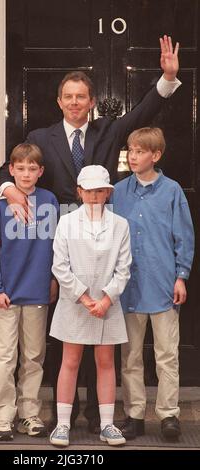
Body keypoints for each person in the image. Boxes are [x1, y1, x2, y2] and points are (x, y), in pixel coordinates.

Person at [0, 35, 181, 433]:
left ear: (92, 100)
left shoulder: (106, 132)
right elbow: (9, 167)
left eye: (82, 96)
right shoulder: (40, 137)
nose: (76, 102)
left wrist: (166, 79)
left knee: (100, 327)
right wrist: (9, 188)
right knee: (64, 327)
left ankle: (101, 413)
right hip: (56, 238)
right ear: (59, 101)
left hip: (102, 239)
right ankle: (62, 411)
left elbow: (143, 113)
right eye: (69, 96)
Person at [111, 127, 194, 440]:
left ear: (155, 155)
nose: (133, 156)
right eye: (130, 150)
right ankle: (134, 414)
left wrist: (181, 277)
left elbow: (183, 237)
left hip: (163, 285)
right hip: (128, 288)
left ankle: (169, 415)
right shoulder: (118, 192)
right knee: (130, 356)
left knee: (166, 354)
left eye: (140, 151)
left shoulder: (172, 191)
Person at [49, 165, 131, 447]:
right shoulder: (66, 222)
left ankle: (107, 424)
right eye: (89, 190)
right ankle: (62, 425)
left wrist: (106, 299)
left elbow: (124, 269)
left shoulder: (121, 225)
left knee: (106, 362)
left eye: (100, 191)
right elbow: (60, 266)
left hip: (107, 305)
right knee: (69, 361)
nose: (95, 196)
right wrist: (84, 298)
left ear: (108, 193)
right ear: (79, 192)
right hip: (76, 304)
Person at [0, 143, 59, 441]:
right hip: (5, 296)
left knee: (33, 358)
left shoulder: (50, 201)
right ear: (11, 170)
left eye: (32, 168)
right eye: (20, 168)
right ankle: (3, 417)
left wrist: (53, 279)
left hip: (38, 292)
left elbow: (56, 246)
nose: (26, 174)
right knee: (3, 359)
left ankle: (29, 414)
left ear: (40, 172)